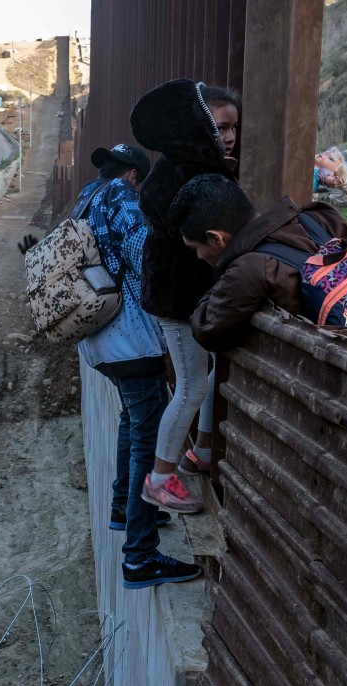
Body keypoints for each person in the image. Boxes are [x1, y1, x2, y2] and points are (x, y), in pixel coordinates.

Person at [24, 143, 201, 589]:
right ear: (135, 178)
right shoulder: (120, 197)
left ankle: (125, 505)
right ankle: (140, 556)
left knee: (135, 422)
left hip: (98, 340)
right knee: (150, 433)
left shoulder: (84, 199)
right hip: (130, 338)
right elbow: (146, 255)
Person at [129, 79, 242, 515]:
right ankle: (159, 479)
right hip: (176, 296)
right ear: (197, 125)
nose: (229, 136)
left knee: (205, 375)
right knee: (191, 385)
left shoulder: (193, 166)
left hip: (186, 292)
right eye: (220, 126)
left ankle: (203, 450)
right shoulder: (183, 171)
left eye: (234, 127)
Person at [169, 174, 347, 352]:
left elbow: (205, 329)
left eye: (195, 248)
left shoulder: (248, 270)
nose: (199, 257)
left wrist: (223, 270)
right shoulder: (319, 217)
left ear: (216, 239)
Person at [313, 147, 347, 221]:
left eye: (330, 159)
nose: (323, 154)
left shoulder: (321, 171)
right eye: (325, 153)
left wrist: (333, 181)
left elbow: (326, 179)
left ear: (332, 173)